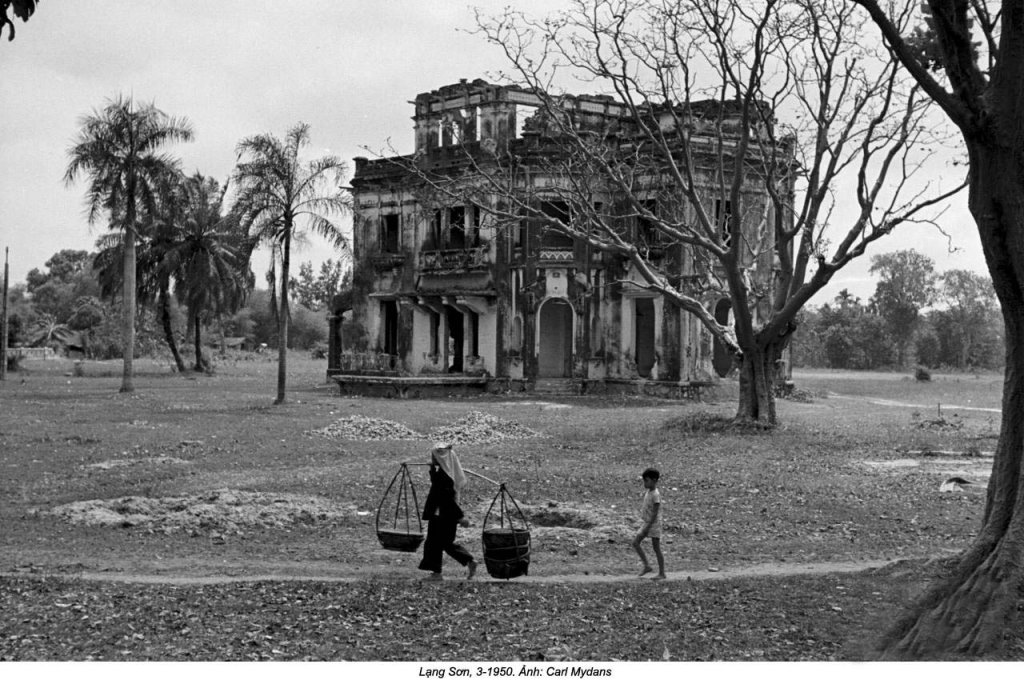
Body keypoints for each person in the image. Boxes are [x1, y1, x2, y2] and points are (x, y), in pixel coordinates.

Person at [418, 441, 478, 581]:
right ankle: (467, 561)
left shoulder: (444, 477)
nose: (432, 459)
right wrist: (433, 470)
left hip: (443, 514)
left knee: (435, 543)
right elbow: (440, 488)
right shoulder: (447, 473)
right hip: (444, 513)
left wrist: (460, 517)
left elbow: (446, 499)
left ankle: (438, 573)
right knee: (443, 542)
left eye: (434, 457)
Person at [632, 467, 666, 579]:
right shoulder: (649, 492)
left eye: (646, 480)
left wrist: (648, 526)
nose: (644, 483)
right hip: (647, 523)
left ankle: (662, 573)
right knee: (635, 543)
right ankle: (646, 565)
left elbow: (655, 513)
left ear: (654, 480)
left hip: (653, 524)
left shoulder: (655, 495)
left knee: (656, 548)